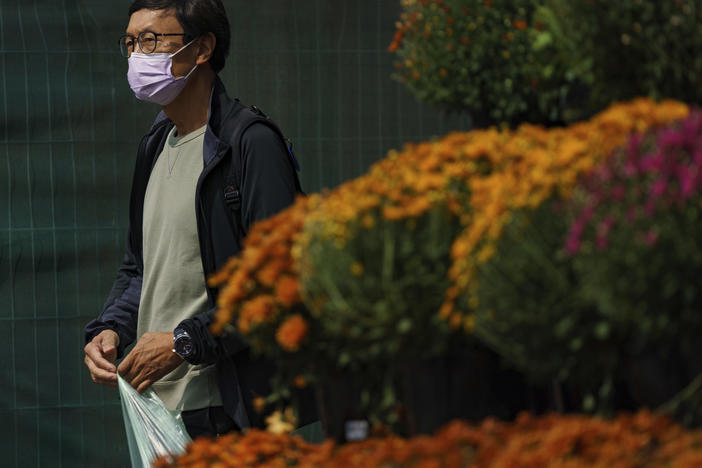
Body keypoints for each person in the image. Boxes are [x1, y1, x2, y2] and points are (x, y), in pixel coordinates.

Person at [83, 0, 305, 438]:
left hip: (228, 413)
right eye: (129, 43)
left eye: (150, 40)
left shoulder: (251, 143)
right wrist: (110, 327)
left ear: (202, 48)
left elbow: (283, 283)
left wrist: (186, 342)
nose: (136, 57)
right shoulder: (154, 144)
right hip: (155, 411)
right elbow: (140, 269)